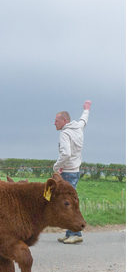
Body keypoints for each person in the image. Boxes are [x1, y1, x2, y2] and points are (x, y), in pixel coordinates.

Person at [54, 100, 91, 244]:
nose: (54, 123)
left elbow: (66, 154)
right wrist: (86, 109)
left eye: (56, 120)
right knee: (69, 202)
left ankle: (76, 233)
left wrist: (56, 167)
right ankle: (70, 233)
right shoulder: (78, 127)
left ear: (64, 120)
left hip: (68, 172)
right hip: (75, 171)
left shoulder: (65, 134)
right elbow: (84, 120)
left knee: (68, 203)